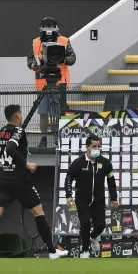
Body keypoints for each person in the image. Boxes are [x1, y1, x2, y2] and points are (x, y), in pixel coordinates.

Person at [0, 104, 68, 260]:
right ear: (17, 116)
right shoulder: (18, 131)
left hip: (3, 179)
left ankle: (52, 251)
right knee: (39, 213)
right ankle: (52, 251)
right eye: (21, 114)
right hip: (20, 181)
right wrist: (26, 164)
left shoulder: (2, 131)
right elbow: (10, 149)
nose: (22, 116)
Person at [65, 135, 119, 259]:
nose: (97, 148)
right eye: (94, 146)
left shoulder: (105, 162)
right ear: (87, 147)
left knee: (100, 225)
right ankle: (85, 250)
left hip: (99, 199)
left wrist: (114, 198)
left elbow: (111, 181)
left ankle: (93, 237)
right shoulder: (78, 162)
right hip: (82, 198)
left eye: (98, 146)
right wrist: (68, 195)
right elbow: (69, 178)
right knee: (85, 224)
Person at [27, 17, 76, 148]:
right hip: (43, 83)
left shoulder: (64, 41)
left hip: (59, 84)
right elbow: (29, 60)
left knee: (57, 111)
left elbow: (72, 58)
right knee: (43, 112)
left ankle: (57, 137)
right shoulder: (36, 42)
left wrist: (62, 59)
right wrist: (34, 65)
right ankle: (43, 138)